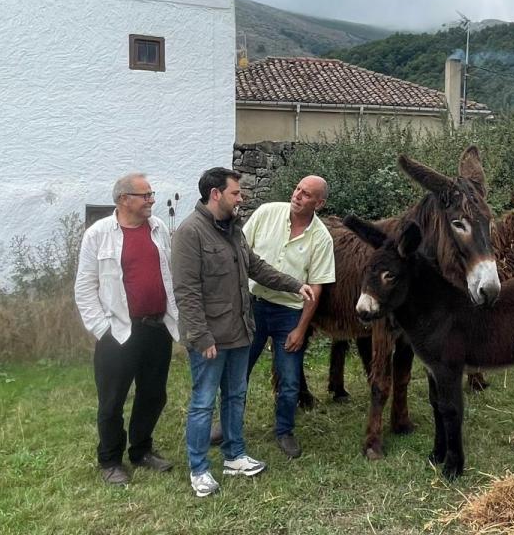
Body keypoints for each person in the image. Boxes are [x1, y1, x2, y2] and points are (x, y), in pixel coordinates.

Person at [172, 167, 314, 498]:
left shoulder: (233, 229)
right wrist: (202, 336)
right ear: (215, 194)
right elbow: (186, 292)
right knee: (203, 403)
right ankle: (199, 469)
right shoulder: (190, 233)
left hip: (239, 332)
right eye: (236, 193)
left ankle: (235, 456)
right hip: (210, 338)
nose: (241, 198)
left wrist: (296, 285)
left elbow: (256, 267)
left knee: (236, 396)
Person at [74, 172, 178, 486]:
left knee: (153, 395)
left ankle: (141, 450)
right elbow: (84, 287)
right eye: (145, 195)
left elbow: (169, 275)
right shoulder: (99, 233)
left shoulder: (159, 228)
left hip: (157, 328)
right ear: (123, 199)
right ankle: (109, 460)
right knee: (112, 400)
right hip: (118, 332)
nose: (152, 200)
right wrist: (101, 328)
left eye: (152, 194)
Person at [243, 175, 335, 459]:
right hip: (253, 306)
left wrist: (301, 329)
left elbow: (316, 287)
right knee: (238, 371)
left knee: (290, 379)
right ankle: (228, 425)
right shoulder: (266, 213)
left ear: (319, 203)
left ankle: (284, 430)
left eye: (306, 194)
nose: (297, 195)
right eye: (297, 189)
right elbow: (239, 253)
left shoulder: (321, 238)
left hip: (289, 314)